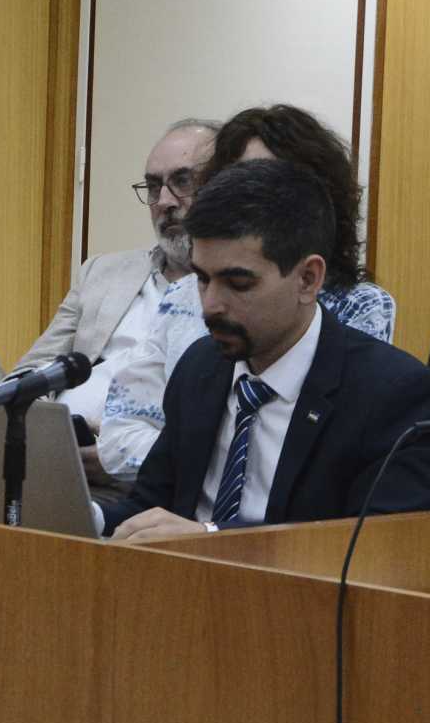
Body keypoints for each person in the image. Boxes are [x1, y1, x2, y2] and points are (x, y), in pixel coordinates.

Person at [106, 159, 430, 540]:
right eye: (203, 280)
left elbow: (382, 550)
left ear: (308, 279)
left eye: (237, 283)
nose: (210, 305)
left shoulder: (393, 393)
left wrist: (212, 538)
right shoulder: (200, 367)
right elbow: (150, 508)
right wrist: (83, 516)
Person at [97, 104, 396, 479]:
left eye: (240, 284)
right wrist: (194, 458)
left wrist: (198, 456)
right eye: (238, 182)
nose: (213, 303)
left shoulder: (359, 306)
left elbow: (318, 454)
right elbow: (119, 435)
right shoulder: (182, 304)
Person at [14, 118, 217, 480]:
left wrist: (116, 456)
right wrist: (50, 437)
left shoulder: (235, 295)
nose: (165, 202)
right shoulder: (102, 272)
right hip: (56, 464)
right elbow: (30, 373)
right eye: (154, 187)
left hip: (149, 484)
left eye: (183, 181)